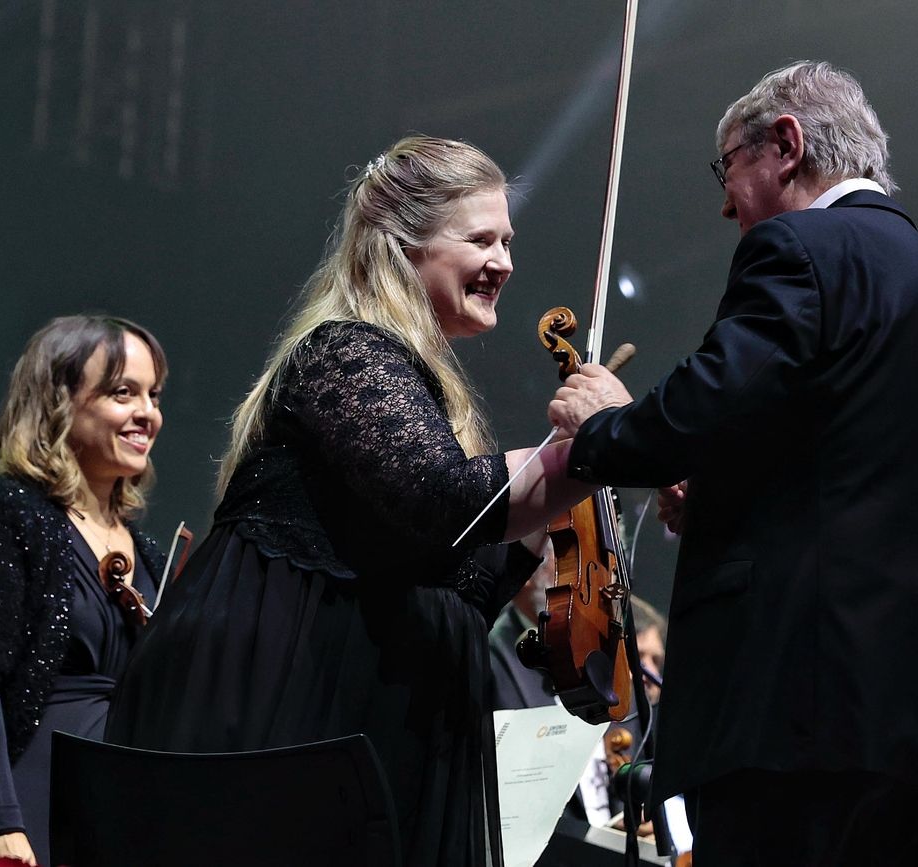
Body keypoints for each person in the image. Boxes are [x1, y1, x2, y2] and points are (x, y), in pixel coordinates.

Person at [548, 61, 918, 865]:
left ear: (787, 145)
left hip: (788, 718)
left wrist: (605, 424)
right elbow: (853, 484)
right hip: (915, 741)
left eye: (727, 166)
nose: (727, 204)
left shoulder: (801, 247)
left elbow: (704, 405)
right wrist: (716, 493)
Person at [105, 135, 595, 867]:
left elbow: (459, 597)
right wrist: (591, 447)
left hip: (359, 715)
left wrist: (551, 502)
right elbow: (443, 499)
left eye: (508, 241)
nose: (505, 262)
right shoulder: (347, 350)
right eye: (481, 239)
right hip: (281, 704)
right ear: (402, 244)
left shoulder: (422, 387)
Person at [0, 316, 167, 865]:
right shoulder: (5, 513)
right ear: (59, 401)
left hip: (114, 815)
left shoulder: (148, 552)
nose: (147, 413)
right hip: (25, 807)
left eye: (153, 395)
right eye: (123, 393)